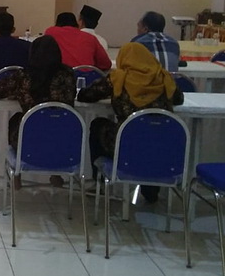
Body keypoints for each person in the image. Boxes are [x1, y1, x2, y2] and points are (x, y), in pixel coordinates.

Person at [78, 42, 183, 203]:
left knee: (98, 125)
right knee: (151, 134)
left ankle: (100, 183)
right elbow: (178, 99)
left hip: (127, 145)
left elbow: (85, 95)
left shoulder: (119, 78)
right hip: (161, 145)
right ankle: (151, 190)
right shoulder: (163, 77)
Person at [0, 35, 76, 187]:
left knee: (17, 120)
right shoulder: (68, 74)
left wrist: (17, 93)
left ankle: (17, 173)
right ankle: (56, 172)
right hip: (64, 143)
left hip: (30, 142)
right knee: (56, 124)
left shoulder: (24, 76)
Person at [45, 12, 111, 71]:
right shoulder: (91, 38)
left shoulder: (51, 32)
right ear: (76, 24)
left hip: (62, 76)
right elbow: (106, 64)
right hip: (86, 77)